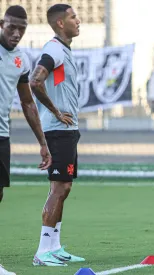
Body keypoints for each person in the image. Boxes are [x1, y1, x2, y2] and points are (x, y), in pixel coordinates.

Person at [29, 3, 84, 267]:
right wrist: (57, 111)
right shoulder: (53, 49)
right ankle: (42, 251)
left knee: (63, 187)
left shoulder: (63, 50)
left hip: (67, 130)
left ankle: (54, 246)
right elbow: (35, 80)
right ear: (60, 23)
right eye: (74, 17)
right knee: (59, 188)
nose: (79, 20)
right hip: (58, 130)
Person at [0, 5, 52, 275]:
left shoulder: (21, 60)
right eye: (12, 27)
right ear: (1, 24)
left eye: (22, 29)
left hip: (2, 136)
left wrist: (42, 143)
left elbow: (28, 103)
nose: (17, 33)